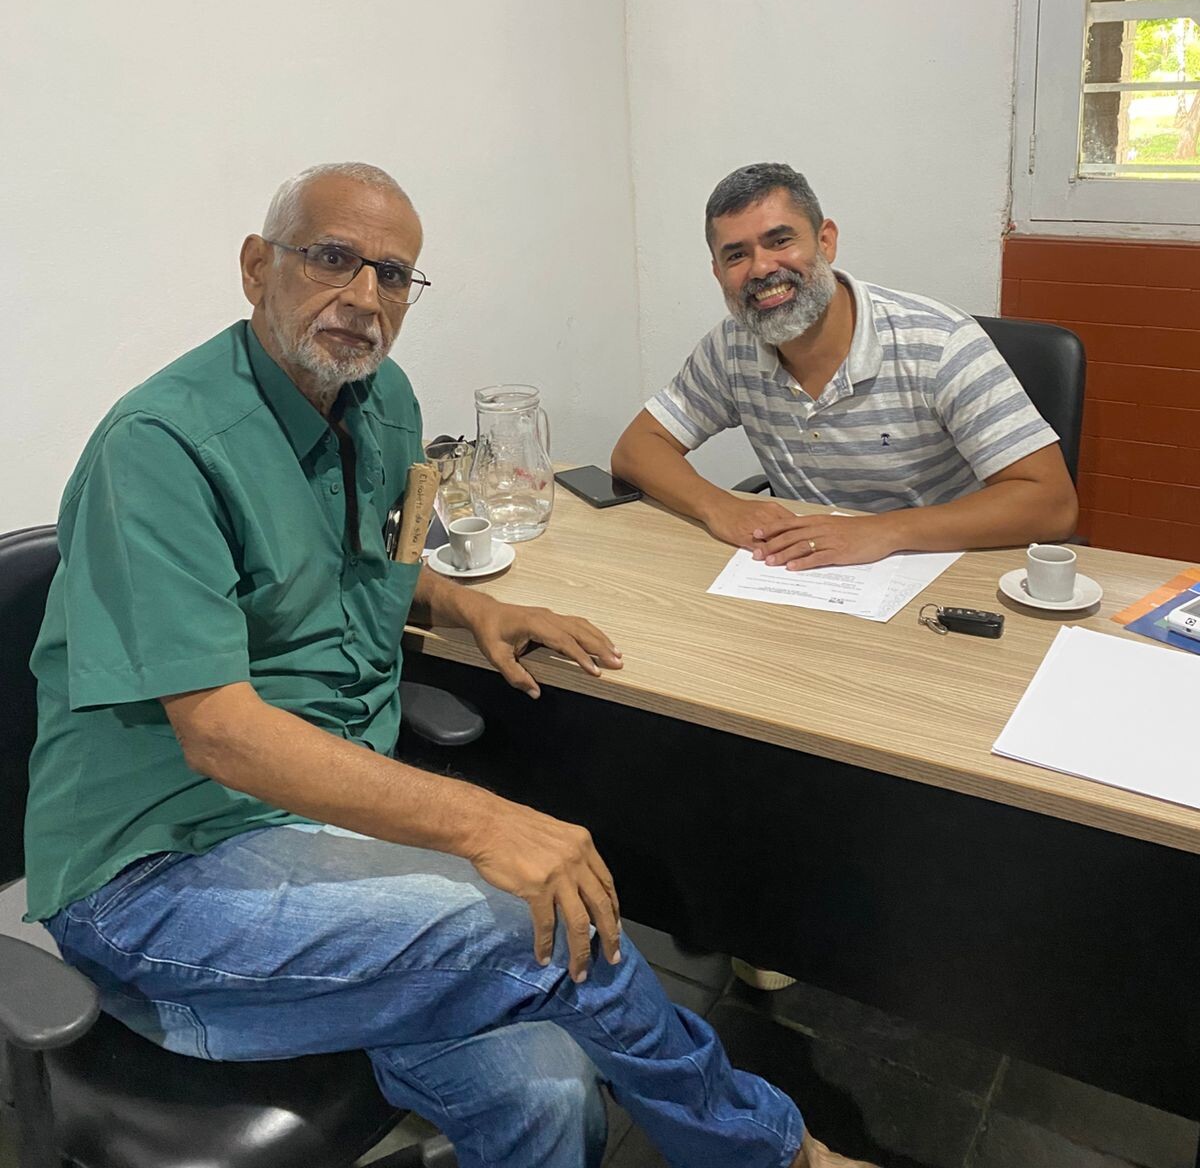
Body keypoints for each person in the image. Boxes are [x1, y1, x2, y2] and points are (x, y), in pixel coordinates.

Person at [24, 162, 876, 1168]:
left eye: (393, 275)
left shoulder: (380, 401)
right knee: (548, 921)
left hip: (325, 828)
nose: (365, 296)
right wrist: (486, 821)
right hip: (162, 875)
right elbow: (220, 733)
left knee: (550, 1092)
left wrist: (477, 606)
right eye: (333, 258)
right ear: (257, 268)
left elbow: (376, 557)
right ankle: (778, 1153)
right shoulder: (160, 446)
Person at [612, 162, 1078, 568]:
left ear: (826, 241)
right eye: (736, 255)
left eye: (780, 240)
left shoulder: (939, 343)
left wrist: (884, 531)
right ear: (718, 273)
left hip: (940, 565)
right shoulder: (732, 347)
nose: (761, 268)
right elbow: (636, 449)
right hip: (807, 571)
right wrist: (718, 506)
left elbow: (1052, 503)